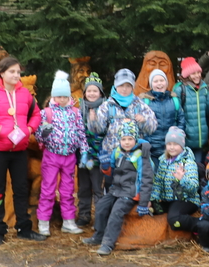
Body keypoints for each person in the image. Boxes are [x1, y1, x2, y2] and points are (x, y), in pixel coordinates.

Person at [0, 56, 47, 245]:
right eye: (12, 72)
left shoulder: (25, 95)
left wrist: (29, 129)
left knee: (21, 189)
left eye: (18, 72)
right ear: (2, 74)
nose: (16, 75)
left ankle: (24, 228)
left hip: (20, 150)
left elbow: (36, 115)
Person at [83, 119, 154, 256]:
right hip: (116, 189)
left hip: (131, 192)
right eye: (123, 139)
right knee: (101, 206)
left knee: (116, 212)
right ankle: (98, 236)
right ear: (119, 140)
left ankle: (108, 244)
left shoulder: (141, 156)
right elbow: (110, 172)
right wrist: (105, 166)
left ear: (136, 139)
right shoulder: (117, 152)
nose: (126, 142)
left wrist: (143, 202)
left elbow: (146, 179)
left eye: (130, 139)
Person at [35, 71, 87, 236]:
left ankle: (69, 221)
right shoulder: (46, 113)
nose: (62, 99)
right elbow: (38, 136)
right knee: (48, 189)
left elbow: (81, 133)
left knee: (68, 190)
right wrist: (44, 132)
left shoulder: (75, 113)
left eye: (65, 96)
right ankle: (43, 222)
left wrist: (84, 151)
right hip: (51, 156)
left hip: (69, 157)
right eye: (59, 96)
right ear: (53, 96)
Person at [92, 69, 158, 170]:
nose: (124, 89)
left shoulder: (140, 105)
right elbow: (98, 130)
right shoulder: (107, 106)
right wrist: (93, 121)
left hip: (134, 159)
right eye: (121, 85)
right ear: (115, 85)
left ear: (132, 87)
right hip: (112, 157)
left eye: (128, 86)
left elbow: (152, 128)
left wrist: (144, 121)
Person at [150, 127, 201, 232]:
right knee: (148, 209)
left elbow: (194, 188)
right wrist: (153, 199)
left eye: (175, 144)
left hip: (186, 200)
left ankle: (201, 224)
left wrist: (182, 179)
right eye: (169, 144)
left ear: (182, 145)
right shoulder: (163, 161)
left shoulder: (188, 163)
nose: (172, 147)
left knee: (174, 219)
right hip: (168, 200)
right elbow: (158, 182)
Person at [174, 57, 209, 167]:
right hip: (186, 138)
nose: (197, 76)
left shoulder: (204, 88)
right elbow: (176, 114)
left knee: (199, 167)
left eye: (198, 72)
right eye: (193, 73)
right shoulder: (180, 89)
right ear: (187, 75)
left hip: (201, 139)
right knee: (186, 167)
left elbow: (208, 110)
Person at [76, 72, 106, 227]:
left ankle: (100, 218)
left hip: (99, 156)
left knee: (98, 188)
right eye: (89, 91)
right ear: (85, 93)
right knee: (84, 187)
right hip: (83, 156)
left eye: (95, 91)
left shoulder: (105, 108)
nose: (92, 93)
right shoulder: (80, 109)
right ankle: (84, 214)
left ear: (100, 93)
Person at [141, 68, 185, 165]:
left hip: (172, 149)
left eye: (162, 80)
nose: (159, 83)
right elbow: (141, 125)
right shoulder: (145, 101)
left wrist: (177, 140)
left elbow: (181, 120)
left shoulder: (174, 100)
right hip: (152, 150)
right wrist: (146, 142)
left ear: (166, 82)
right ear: (151, 84)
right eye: (155, 81)